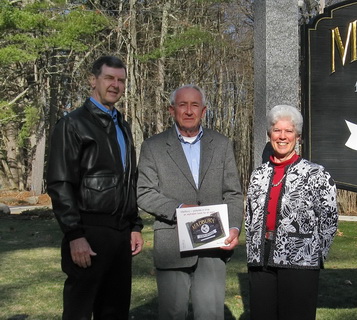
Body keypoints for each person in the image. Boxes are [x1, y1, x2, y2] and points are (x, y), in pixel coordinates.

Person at [46, 55, 144, 319]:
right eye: (109, 78)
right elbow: (60, 182)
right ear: (93, 80)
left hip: (120, 234)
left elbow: (128, 179)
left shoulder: (122, 126)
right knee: (79, 309)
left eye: (121, 80)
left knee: (114, 310)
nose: (115, 85)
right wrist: (74, 234)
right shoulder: (73, 124)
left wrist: (134, 225)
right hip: (88, 232)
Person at [137, 84, 244, 320]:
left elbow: (233, 194)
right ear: (171, 110)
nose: (188, 111)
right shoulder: (153, 147)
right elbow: (144, 192)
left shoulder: (222, 144)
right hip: (172, 246)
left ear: (203, 111)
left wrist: (234, 228)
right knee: (172, 314)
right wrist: (178, 209)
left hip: (212, 245)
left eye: (194, 105)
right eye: (182, 105)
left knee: (210, 314)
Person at [245, 104, 339, 320]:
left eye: (289, 131)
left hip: (300, 261)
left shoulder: (316, 173)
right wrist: (252, 251)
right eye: (277, 130)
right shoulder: (257, 174)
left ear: (297, 136)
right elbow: (250, 218)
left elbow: (330, 220)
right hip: (261, 261)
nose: (282, 136)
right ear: (269, 135)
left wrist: (315, 254)